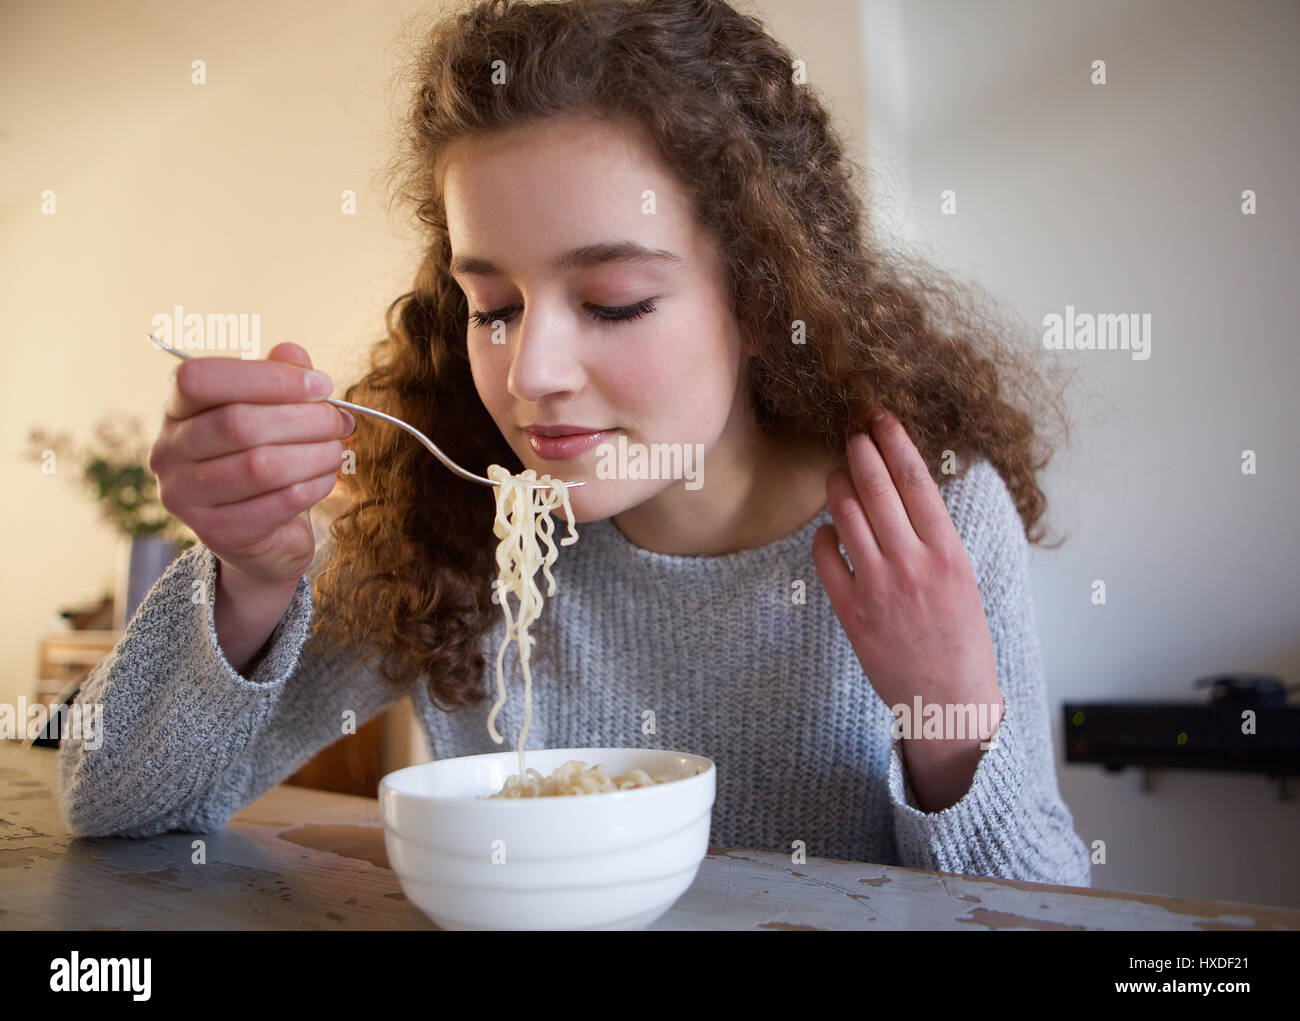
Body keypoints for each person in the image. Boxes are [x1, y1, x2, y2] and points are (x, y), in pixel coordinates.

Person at [59, 0, 1089, 885]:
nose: (530, 372)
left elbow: (1045, 912)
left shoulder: (925, 517)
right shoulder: (444, 518)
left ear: (764, 300)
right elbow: (112, 803)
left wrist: (948, 718)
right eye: (494, 305)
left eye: (613, 302)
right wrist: (247, 580)